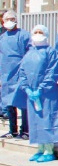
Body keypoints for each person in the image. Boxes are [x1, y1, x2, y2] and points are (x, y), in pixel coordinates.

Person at [19, 25, 58, 163]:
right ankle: (40, 147)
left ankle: (49, 149)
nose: (38, 34)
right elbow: (22, 72)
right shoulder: (29, 53)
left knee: (47, 118)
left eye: (41, 32)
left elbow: (53, 72)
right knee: (36, 120)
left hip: (48, 93)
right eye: (35, 32)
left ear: (46, 34)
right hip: (32, 94)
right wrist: (27, 88)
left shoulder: (51, 52)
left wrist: (41, 88)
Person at [0, 10, 31, 139]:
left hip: (20, 73)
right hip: (6, 74)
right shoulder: (2, 37)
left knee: (23, 102)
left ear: (16, 20)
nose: (9, 22)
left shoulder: (24, 35)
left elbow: (30, 53)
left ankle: (25, 130)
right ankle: (12, 130)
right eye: (6, 20)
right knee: (9, 102)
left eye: (12, 19)